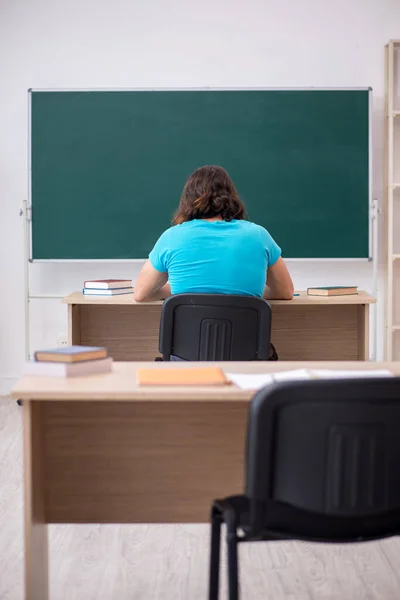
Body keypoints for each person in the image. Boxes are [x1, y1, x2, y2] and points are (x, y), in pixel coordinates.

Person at [133, 165, 294, 303]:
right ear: (231, 196)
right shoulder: (258, 235)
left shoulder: (171, 237)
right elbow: (285, 292)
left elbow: (141, 294)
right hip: (245, 338)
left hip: (189, 339)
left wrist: (177, 291)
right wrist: (251, 293)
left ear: (187, 200)